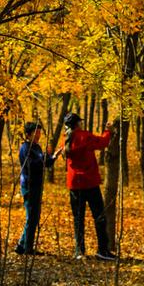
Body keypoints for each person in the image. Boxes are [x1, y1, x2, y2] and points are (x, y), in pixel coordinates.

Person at [63, 111, 116, 260]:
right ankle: (102, 250)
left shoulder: (66, 139)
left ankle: (79, 251)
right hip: (89, 183)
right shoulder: (84, 136)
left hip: (74, 185)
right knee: (99, 216)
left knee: (78, 218)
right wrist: (108, 131)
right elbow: (102, 143)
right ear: (78, 123)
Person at [15, 121, 61, 255]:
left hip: (37, 186)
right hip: (29, 186)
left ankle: (22, 245)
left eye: (40, 133)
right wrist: (43, 158)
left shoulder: (37, 147)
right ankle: (26, 248)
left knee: (34, 217)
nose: (38, 135)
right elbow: (32, 165)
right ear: (28, 134)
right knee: (32, 217)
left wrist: (53, 156)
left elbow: (45, 163)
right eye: (36, 133)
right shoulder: (25, 148)